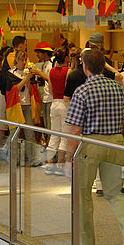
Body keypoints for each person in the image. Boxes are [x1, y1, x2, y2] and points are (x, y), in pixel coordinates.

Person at [65, 49, 124, 245]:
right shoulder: (117, 88)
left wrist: (67, 157)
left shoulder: (82, 91)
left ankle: (86, 241)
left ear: (85, 67)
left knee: (83, 196)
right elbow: (123, 120)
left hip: (91, 145)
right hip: (115, 143)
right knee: (115, 194)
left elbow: (75, 129)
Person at [5, 49, 43, 167]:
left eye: (24, 60)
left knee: (30, 133)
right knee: (14, 133)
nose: (23, 62)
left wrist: (29, 81)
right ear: (16, 60)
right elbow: (13, 89)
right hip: (16, 106)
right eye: (21, 60)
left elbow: (31, 90)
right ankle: (13, 158)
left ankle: (33, 159)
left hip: (27, 105)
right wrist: (25, 79)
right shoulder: (10, 73)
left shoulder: (28, 73)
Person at [45, 46, 70, 175]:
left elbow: (50, 90)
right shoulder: (68, 71)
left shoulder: (51, 71)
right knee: (65, 136)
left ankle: (49, 164)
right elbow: (67, 89)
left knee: (54, 134)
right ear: (66, 57)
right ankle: (60, 165)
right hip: (65, 104)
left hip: (54, 102)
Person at [30, 42, 54, 136]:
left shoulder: (52, 63)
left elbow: (51, 80)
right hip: (45, 97)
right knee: (47, 125)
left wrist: (39, 73)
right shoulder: (45, 64)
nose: (37, 55)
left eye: (38, 52)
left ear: (45, 52)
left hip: (51, 98)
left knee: (50, 126)